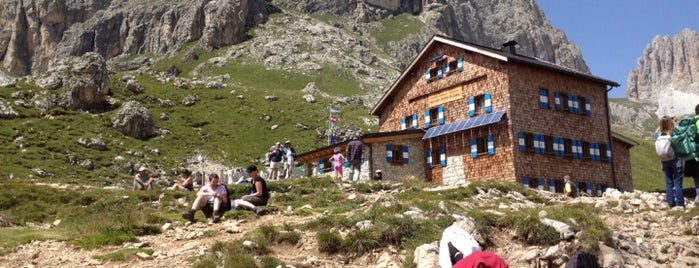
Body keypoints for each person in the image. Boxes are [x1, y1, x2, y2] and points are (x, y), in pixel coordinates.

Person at [657, 115, 685, 208]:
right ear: (670, 124)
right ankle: (680, 204)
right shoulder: (673, 134)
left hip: (664, 161)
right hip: (675, 160)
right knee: (677, 182)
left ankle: (671, 203)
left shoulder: (659, 135)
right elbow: (682, 133)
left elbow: (654, 134)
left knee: (669, 183)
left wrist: (662, 124)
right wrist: (675, 122)